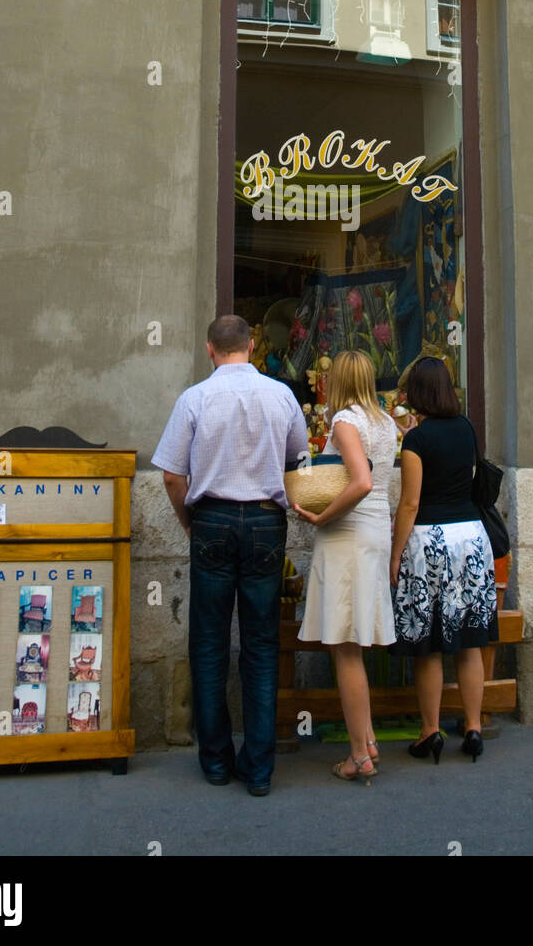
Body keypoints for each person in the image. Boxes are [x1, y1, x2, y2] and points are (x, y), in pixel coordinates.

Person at [152, 314, 308, 796]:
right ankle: (258, 769)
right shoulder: (281, 395)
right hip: (264, 522)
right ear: (253, 345)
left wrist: (189, 522)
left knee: (208, 644)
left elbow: (173, 477)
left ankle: (216, 760)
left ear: (209, 349)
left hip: (213, 521)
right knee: (262, 646)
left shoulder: (194, 398)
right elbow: (298, 461)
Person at [294, 349, 398, 783]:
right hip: (375, 530)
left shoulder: (346, 422)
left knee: (346, 647)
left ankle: (358, 755)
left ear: (335, 380)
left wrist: (321, 515)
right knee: (353, 640)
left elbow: (361, 480)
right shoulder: (387, 422)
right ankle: (368, 738)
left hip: (349, 533)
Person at [390, 357, 498, 764]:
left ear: (417, 393)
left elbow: (410, 502)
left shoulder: (417, 441)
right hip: (471, 537)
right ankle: (473, 728)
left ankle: (430, 731)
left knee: (430, 643)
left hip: (430, 541)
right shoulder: (467, 428)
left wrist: (396, 554)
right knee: (470, 640)